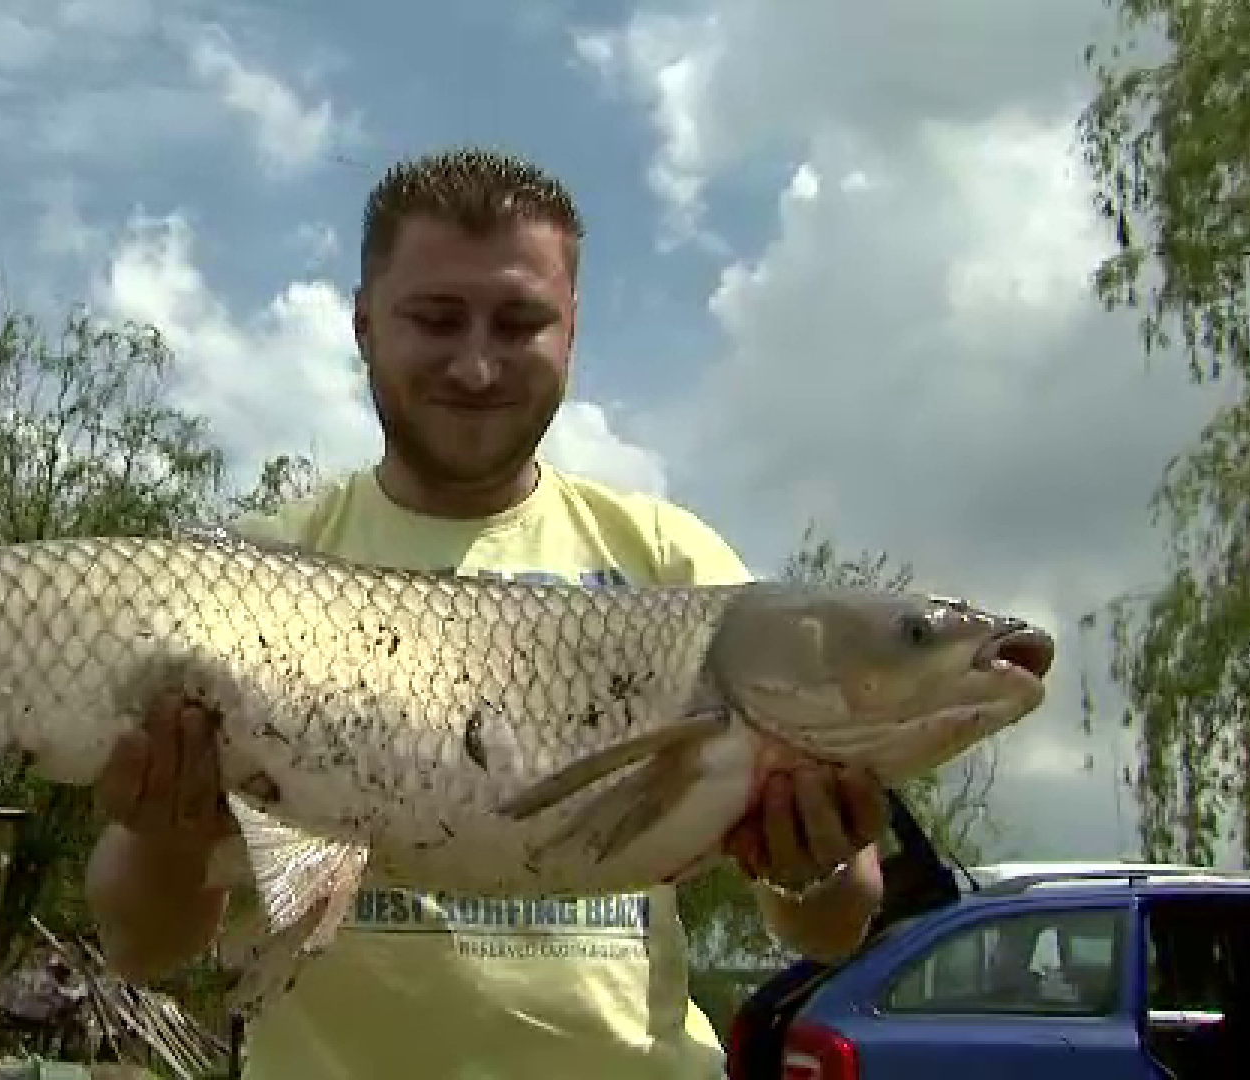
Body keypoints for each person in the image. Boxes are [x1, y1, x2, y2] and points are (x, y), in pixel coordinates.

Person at [84, 146, 889, 1078]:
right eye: (435, 319)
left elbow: (835, 923)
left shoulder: (672, 565)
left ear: (571, 332)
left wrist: (813, 858)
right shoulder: (252, 576)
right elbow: (141, 947)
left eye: (518, 322)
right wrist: (167, 828)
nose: (476, 365)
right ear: (363, 325)